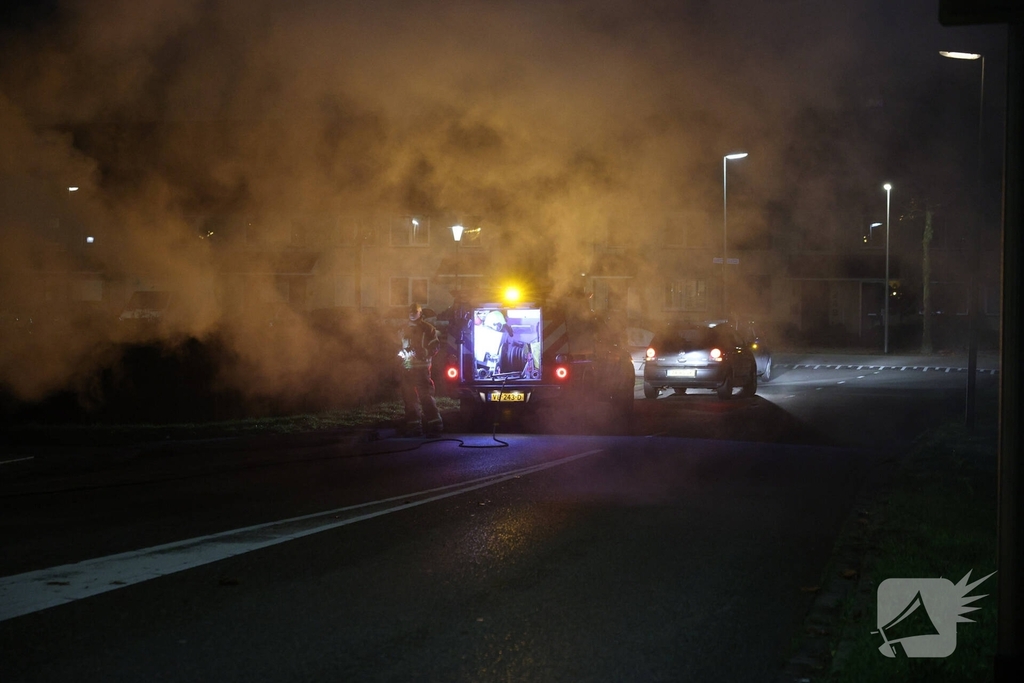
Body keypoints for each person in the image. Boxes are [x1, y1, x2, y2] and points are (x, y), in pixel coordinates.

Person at [398, 302, 443, 437]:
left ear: (420, 313)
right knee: (409, 398)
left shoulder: (428, 329)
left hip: (422, 368)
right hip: (407, 368)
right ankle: (414, 427)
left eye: (414, 311)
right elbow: (397, 345)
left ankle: (435, 425)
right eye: (410, 311)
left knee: (425, 397)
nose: (412, 314)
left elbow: (435, 346)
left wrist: (422, 352)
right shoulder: (402, 329)